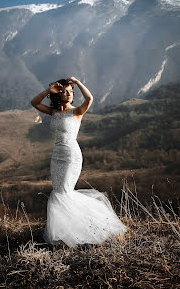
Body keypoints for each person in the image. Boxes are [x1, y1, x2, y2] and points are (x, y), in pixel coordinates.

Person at [30, 76, 127, 247]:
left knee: (63, 192)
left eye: (71, 92)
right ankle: (65, 232)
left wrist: (78, 82)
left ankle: (88, 227)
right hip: (57, 155)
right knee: (58, 191)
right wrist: (48, 90)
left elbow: (89, 99)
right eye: (65, 92)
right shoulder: (53, 112)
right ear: (57, 94)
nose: (69, 95)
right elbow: (34, 102)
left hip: (71, 155)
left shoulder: (76, 112)